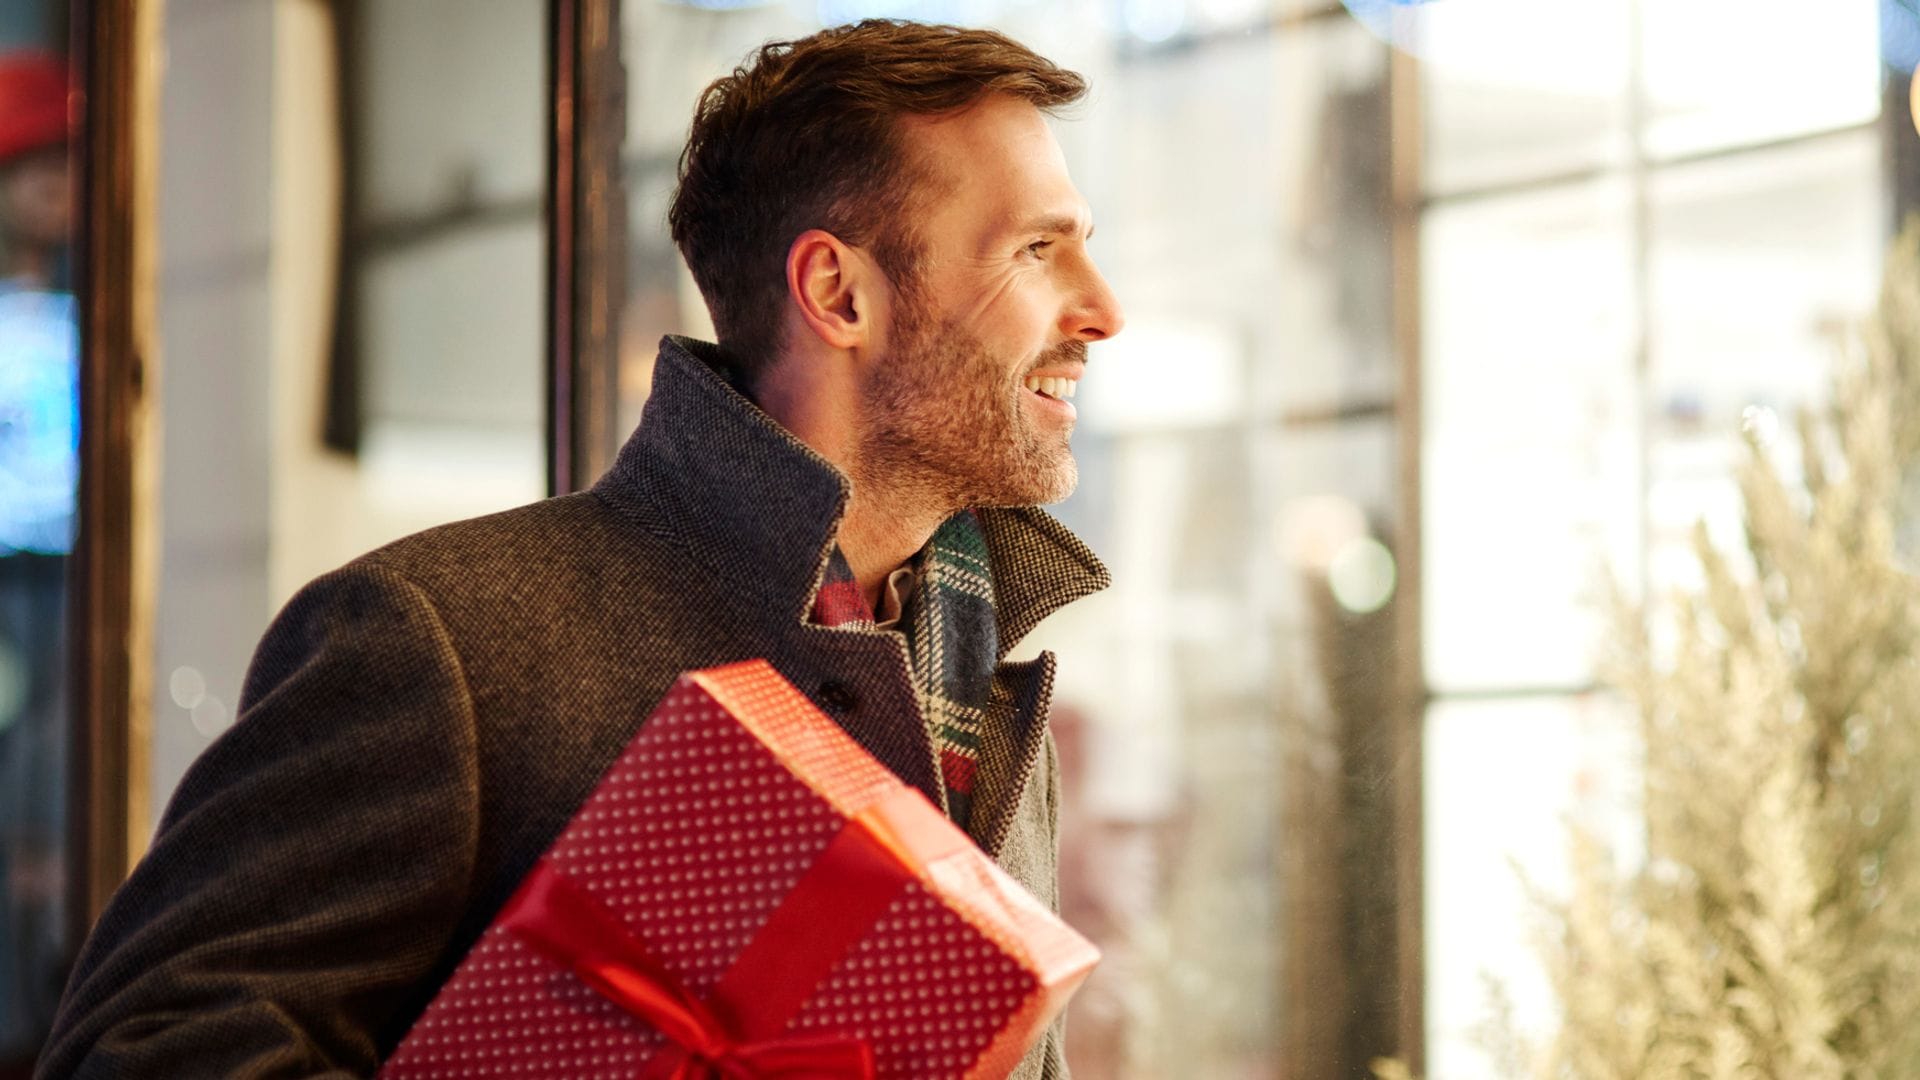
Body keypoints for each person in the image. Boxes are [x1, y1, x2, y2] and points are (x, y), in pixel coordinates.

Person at [38, 19, 1124, 1079]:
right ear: (838, 293)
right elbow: (148, 1050)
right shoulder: (443, 644)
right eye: (1038, 249)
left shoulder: (984, 688)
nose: (1102, 310)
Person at [0, 47, 77, 1068]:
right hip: (12, 578)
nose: (59, 187)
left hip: (64, 572)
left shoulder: (87, 304)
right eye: (37, 165)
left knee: (50, 778)